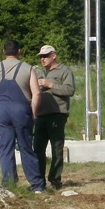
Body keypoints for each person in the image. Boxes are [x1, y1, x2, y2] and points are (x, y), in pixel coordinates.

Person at [0, 40, 45, 192]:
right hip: (21, 110)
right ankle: (37, 185)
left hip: (1, 110)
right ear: (19, 51)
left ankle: (9, 184)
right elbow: (37, 93)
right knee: (26, 147)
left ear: (4, 52)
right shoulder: (28, 68)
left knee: (5, 148)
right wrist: (33, 112)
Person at [33, 45, 75, 190]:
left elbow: (69, 90)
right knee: (37, 148)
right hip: (41, 115)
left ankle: (55, 180)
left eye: (45, 56)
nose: (42, 59)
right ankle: (39, 181)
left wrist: (50, 84)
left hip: (57, 114)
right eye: (40, 56)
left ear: (54, 55)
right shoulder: (39, 72)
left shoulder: (64, 70)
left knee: (57, 149)